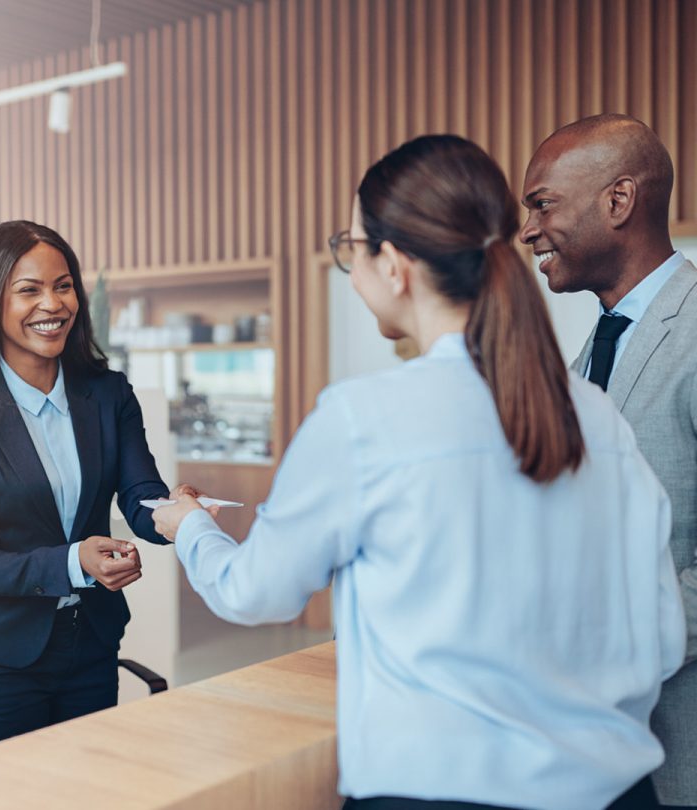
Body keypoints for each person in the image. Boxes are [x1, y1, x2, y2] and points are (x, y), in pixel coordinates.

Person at [154, 135, 685, 809]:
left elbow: (256, 592)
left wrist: (190, 527)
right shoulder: (597, 416)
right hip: (617, 794)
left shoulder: (365, 417)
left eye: (351, 249)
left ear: (395, 265)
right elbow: (663, 637)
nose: (351, 273)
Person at [0, 219, 211, 752]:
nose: (53, 304)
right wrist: (75, 562)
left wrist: (176, 513)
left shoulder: (106, 393)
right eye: (28, 290)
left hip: (89, 651)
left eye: (63, 285)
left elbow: (140, 493)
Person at [520, 113, 697, 809]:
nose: (529, 230)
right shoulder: (590, 351)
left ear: (618, 201)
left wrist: (611, 653)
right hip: (594, 750)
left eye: (541, 204)